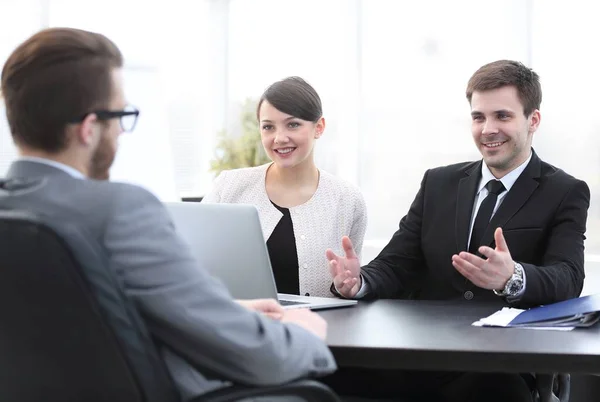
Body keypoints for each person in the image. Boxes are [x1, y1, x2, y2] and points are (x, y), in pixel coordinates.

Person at [0, 27, 336, 401]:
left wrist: (219, 308)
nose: (120, 133)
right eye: (121, 115)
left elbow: (83, 318)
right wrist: (304, 333)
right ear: (89, 128)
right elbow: (259, 359)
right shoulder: (121, 211)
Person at [325, 60, 590, 401]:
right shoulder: (438, 182)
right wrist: (358, 282)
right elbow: (397, 261)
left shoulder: (565, 191)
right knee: (331, 373)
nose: (488, 129)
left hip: (499, 364)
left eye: (502, 116)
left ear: (533, 120)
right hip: (421, 351)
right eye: (478, 117)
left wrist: (512, 277)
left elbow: (567, 277)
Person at [203, 76, 367, 298]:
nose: (279, 138)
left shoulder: (348, 200)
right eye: (268, 127)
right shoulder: (229, 186)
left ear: (319, 127)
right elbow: (193, 257)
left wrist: (348, 287)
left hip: (321, 329)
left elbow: (349, 281)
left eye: (293, 124)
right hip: (242, 326)